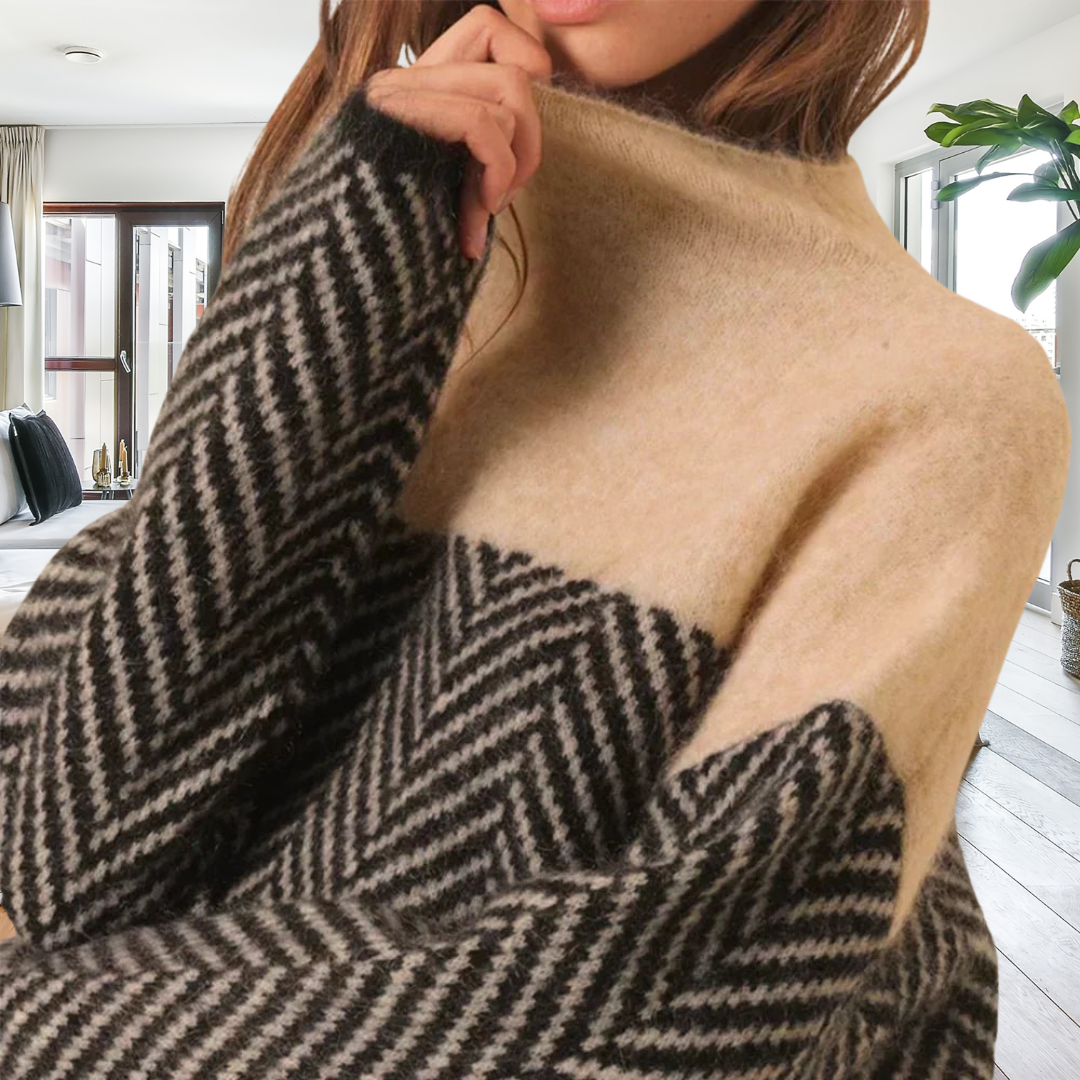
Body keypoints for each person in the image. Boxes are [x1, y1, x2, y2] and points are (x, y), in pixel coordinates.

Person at [0, 2, 1069, 1077]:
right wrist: (340, 260)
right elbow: (56, 866)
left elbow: (642, 1023)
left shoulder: (946, 395)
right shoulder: (376, 241)